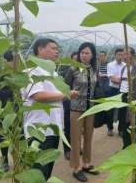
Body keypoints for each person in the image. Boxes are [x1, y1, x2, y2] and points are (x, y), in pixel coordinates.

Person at [21, 38, 77, 180]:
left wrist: (66, 94)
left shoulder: (53, 74)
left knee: (46, 171)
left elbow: (56, 95)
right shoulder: (31, 70)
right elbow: (38, 95)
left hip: (53, 128)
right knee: (37, 171)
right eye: (53, 48)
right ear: (40, 49)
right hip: (38, 130)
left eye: (57, 48)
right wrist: (65, 95)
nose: (57, 51)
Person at [65, 42, 99, 182]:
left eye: (87, 53)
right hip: (76, 109)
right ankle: (76, 168)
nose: (84, 55)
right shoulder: (73, 69)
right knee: (76, 138)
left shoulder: (93, 69)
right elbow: (64, 87)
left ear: (92, 55)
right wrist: (70, 93)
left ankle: (86, 163)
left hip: (90, 108)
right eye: (82, 52)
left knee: (89, 137)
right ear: (79, 54)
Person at [0, 50, 14, 172]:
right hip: (4, 110)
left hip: (17, 111)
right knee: (3, 137)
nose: (12, 64)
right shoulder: (1, 75)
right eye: (10, 61)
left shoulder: (19, 74)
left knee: (17, 135)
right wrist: (13, 90)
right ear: (6, 61)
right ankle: (4, 161)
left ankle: (18, 159)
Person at [61, 52, 78, 160]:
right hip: (69, 103)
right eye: (75, 59)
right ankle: (67, 150)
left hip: (79, 104)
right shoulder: (66, 72)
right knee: (68, 127)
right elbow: (64, 88)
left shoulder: (83, 72)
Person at [106, 48, 125, 136]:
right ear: (115, 55)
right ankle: (110, 128)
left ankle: (121, 129)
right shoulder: (110, 65)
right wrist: (121, 79)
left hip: (122, 90)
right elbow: (112, 79)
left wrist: (119, 79)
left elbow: (124, 79)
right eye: (119, 54)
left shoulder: (125, 65)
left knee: (122, 110)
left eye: (122, 55)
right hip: (112, 90)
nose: (120, 56)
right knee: (110, 109)